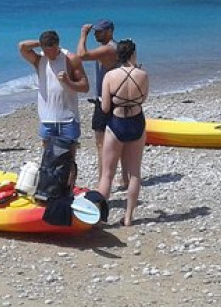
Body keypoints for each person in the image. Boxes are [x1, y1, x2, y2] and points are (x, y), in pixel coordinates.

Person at [97, 39, 148, 227]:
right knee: (134, 172)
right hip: (136, 122)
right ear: (133, 54)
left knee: (107, 174)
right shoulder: (143, 75)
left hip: (117, 122)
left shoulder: (110, 76)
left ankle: (101, 217)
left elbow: (105, 107)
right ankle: (128, 217)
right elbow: (143, 99)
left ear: (118, 55)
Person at [18, 30, 89, 147]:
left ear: (58, 45)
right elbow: (22, 46)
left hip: (68, 118)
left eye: (52, 51)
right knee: (49, 157)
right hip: (47, 119)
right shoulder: (40, 59)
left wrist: (68, 82)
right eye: (46, 51)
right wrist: (41, 43)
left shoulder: (70, 58)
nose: (49, 55)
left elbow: (85, 86)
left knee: (68, 156)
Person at [76, 19, 122, 186]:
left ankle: (103, 180)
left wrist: (83, 35)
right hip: (115, 98)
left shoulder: (108, 49)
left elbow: (81, 55)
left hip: (105, 100)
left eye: (100, 31)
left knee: (101, 141)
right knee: (118, 140)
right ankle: (121, 176)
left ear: (109, 31)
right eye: (95, 31)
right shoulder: (115, 47)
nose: (96, 34)